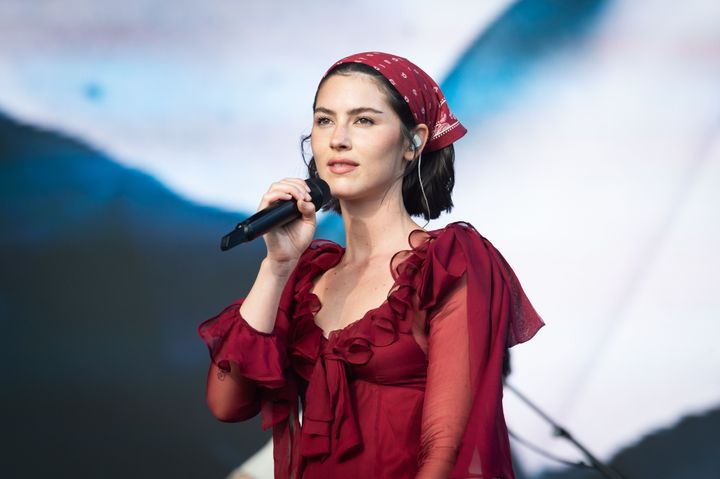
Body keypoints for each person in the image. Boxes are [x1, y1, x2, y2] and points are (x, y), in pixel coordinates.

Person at [198, 51, 544, 479]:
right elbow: (228, 404)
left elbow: (446, 446)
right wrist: (277, 266)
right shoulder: (308, 275)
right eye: (324, 120)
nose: (338, 139)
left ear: (413, 142)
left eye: (363, 120)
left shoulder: (449, 262)